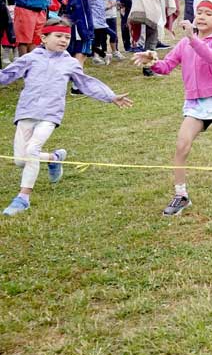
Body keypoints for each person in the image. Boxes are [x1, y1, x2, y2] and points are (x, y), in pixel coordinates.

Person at [135, 0, 212, 215]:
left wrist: (193, 38)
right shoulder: (185, 43)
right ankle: (181, 195)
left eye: (208, 14)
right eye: (199, 12)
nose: (202, 16)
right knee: (181, 146)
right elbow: (167, 66)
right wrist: (152, 61)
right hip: (195, 105)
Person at [1, 17, 132, 216]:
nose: (64, 40)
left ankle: (23, 198)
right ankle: (54, 158)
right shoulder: (30, 58)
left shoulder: (70, 63)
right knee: (21, 159)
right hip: (26, 112)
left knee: (32, 149)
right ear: (43, 38)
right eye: (59, 36)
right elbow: (7, 75)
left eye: (67, 37)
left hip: (50, 115)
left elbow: (87, 83)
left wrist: (110, 96)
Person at [128, 0, 179, 76]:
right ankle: (148, 68)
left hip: (148, 10)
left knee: (151, 40)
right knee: (151, 41)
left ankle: (148, 67)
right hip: (149, 11)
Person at [63, 0, 95, 65]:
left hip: (81, 28)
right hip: (80, 29)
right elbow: (80, 14)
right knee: (80, 53)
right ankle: (76, 77)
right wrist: (86, 33)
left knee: (81, 53)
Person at [87, 0, 112, 65]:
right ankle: (101, 55)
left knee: (97, 40)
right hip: (94, 22)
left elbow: (101, 8)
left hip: (101, 21)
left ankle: (99, 56)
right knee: (112, 35)